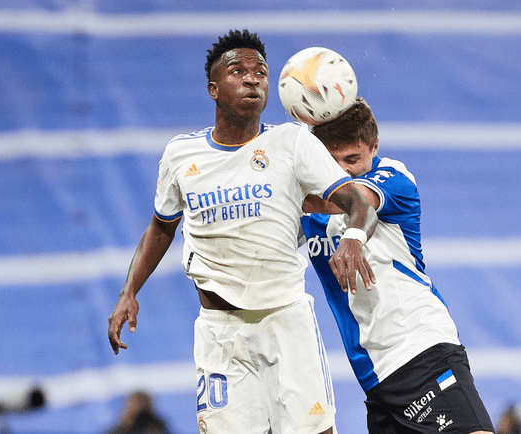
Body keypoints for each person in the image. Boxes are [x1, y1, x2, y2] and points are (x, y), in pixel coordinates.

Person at [107, 30, 378, 434]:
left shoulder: (293, 142)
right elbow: (161, 228)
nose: (253, 79)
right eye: (239, 71)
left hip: (286, 321)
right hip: (221, 333)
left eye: (261, 72)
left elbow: (359, 202)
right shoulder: (181, 155)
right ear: (214, 89)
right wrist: (129, 291)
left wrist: (354, 238)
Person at [301, 98, 495, 434]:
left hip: (421, 350)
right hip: (374, 376)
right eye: (331, 162)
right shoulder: (307, 209)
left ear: (373, 146)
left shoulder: (393, 178)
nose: (342, 171)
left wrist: (353, 237)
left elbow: (361, 203)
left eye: (352, 159)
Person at [106, 391, 170, 434]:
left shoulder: (155, 427)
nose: (132, 407)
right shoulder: (121, 427)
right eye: (131, 404)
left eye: (137, 403)